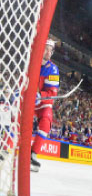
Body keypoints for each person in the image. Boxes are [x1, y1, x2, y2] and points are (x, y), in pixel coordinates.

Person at [31, 39, 59, 172]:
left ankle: (33, 154)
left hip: (42, 103)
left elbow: (52, 93)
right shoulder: (31, 62)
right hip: (28, 101)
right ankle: (6, 148)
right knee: (17, 120)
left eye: (50, 50)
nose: (48, 52)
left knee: (46, 122)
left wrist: (40, 96)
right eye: (46, 49)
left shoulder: (53, 69)